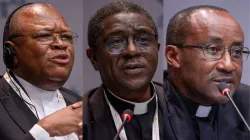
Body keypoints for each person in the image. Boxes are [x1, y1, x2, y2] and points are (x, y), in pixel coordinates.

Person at [83, 1, 175, 140]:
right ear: (94, 58)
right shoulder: (79, 121)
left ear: (157, 48)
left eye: (143, 39)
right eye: (116, 41)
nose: (132, 51)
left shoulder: (182, 109)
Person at [164, 5, 250, 140]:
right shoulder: (152, 106)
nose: (228, 65)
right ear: (174, 56)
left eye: (237, 52)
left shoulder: (247, 103)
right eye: (213, 50)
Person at [0, 3, 82, 140]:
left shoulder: (81, 106)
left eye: (66, 37)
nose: (61, 44)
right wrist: (42, 132)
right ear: (12, 52)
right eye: (44, 36)